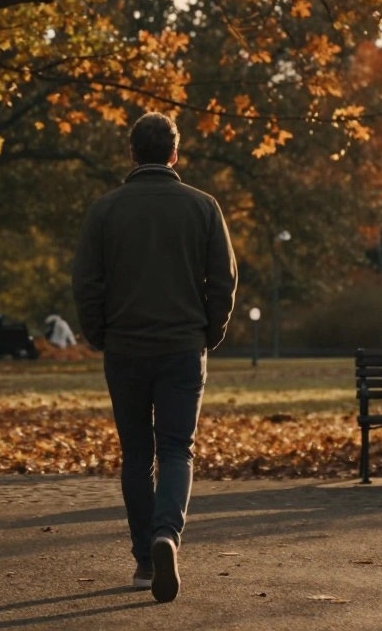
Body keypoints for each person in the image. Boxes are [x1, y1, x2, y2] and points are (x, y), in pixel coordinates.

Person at [73, 112, 237, 603]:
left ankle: (145, 558)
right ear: (174, 153)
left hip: (125, 347)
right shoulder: (203, 207)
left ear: (132, 153)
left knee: (136, 454)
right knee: (176, 449)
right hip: (182, 346)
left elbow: (87, 283)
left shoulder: (105, 210)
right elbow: (223, 281)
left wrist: (100, 334)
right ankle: (167, 534)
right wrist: (209, 333)